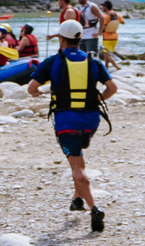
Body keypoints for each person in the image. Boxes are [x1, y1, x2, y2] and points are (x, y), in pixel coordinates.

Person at [28, 18, 118, 233]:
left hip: (67, 122)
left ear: (61, 39)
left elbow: (31, 89)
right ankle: (77, 199)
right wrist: (98, 99)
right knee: (77, 156)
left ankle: (94, 208)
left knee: (76, 167)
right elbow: (112, 88)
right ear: (79, 39)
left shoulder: (51, 62)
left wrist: (41, 93)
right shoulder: (93, 62)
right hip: (91, 120)